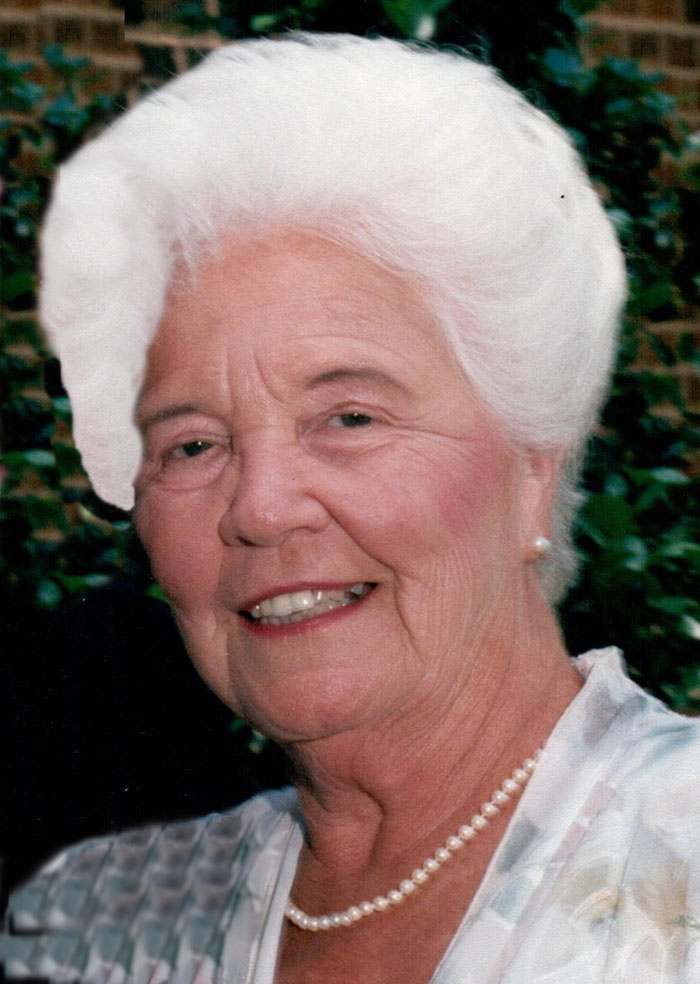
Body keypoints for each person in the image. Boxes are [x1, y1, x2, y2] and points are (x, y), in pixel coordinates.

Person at [4, 33, 700, 984]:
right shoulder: (94, 925)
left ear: (533, 466)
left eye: (350, 417)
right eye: (192, 445)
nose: (261, 508)